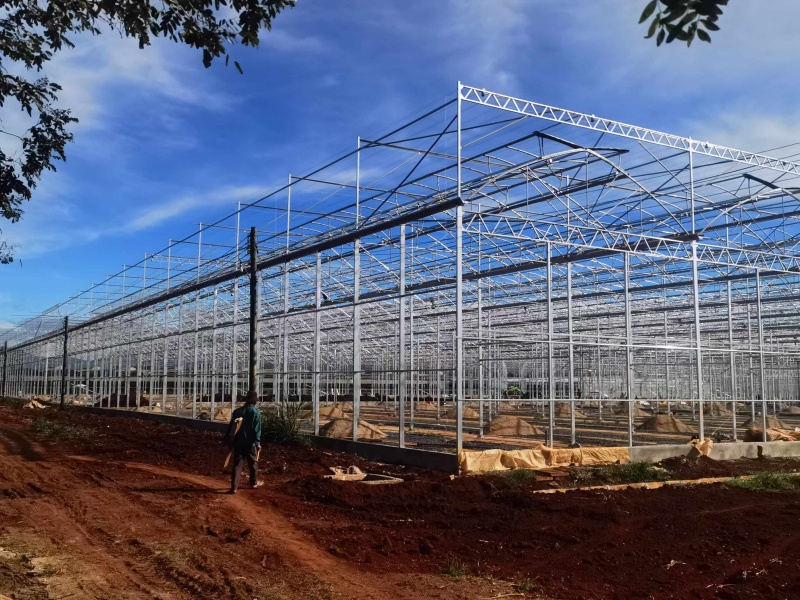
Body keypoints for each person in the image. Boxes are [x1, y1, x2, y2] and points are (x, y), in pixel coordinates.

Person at [226, 390, 262, 494]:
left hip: (238, 442)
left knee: (237, 464)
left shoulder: (237, 412)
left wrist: (229, 440)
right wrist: (258, 443)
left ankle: (234, 487)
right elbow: (256, 430)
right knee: (253, 463)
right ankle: (253, 483)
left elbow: (231, 428)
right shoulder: (256, 413)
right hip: (250, 443)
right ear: (254, 402)